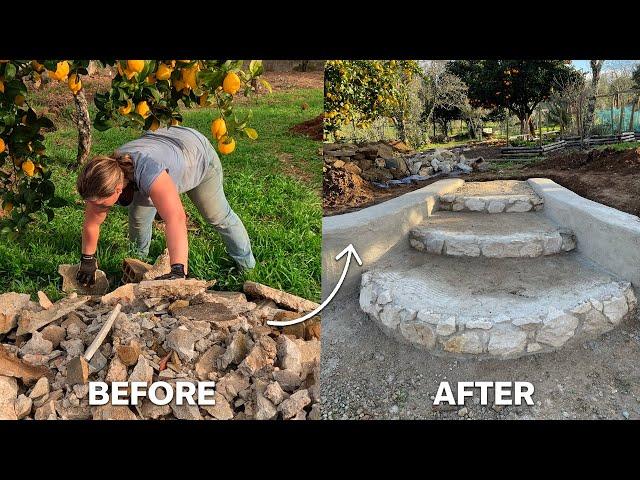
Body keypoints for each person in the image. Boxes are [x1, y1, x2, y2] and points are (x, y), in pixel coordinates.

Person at [74, 125, 256, 286]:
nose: (95, 207)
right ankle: (138, 264)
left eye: (99, 203)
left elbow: (175, 218)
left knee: (217, 216)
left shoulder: (149, 172)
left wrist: (178, 270)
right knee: (138, 217)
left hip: (195, 154)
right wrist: (87, 260)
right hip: (165, 145)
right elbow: (92, 222)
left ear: (117, 189)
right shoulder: (107, 174)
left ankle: (248, 267)